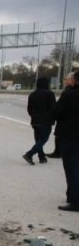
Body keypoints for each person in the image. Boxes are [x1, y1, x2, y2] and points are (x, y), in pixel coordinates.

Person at [53, 70, 79, 212]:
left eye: (70, 79)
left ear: (75, 80)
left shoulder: (69, 94)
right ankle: (72, 195)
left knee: (72, 168)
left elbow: (56, 112)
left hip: (70, 135)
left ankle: (75, 200)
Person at [23, 77, 56, 165]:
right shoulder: (50, 94)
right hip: (45, 121)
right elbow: (53, 108)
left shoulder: (32, 94)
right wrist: (53, 118)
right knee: (43, 139)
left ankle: (42, 157)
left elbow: (29, 108)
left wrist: (33, 116)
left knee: (38, 140)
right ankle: (29, 154)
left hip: (35, 120)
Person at [48, 73, 77, 158]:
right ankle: (58, 152)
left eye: (66, 79)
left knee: (62, 138)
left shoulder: (68, 92)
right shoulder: (68, 90)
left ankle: (58, 152)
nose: (64, 81)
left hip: (67, 122)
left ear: (73, 80)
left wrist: (53, 117)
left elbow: (59, 108)